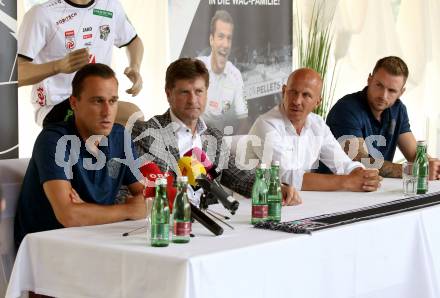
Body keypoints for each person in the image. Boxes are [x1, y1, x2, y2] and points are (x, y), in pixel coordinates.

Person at [131, 58, 301, 206]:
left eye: (199, 91)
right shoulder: (147, 133)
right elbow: (149, 190)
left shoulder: (212, 136)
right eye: (184, 92)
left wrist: (277, 188)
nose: (193, 100)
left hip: (209, 225)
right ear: (169, 94)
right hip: (167, 226)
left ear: (206, 94)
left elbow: (240, 178)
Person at [14, 63, 145, 249]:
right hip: (47, 249)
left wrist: (87, 212)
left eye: (113, 101)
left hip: (96, 241)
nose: (107, 112)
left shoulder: (120, 137)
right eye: (97, 101)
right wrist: (128, 209)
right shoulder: (54, 140)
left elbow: (150, 197)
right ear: (74, 103)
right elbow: (69, 216)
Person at [248, 68, 382, 192]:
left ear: (318, 102)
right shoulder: (266, 124)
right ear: (284, 92)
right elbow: (286, 176)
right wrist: (347, 181)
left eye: (306, 95)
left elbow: (342, 163)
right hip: (255, 205)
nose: (297, 101)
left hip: (295, 200)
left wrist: (363, 175)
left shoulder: (317, 124)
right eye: (293, 92)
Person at [17, 0, 144, 127]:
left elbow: (134, 41)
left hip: (97, 99)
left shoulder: (110, 5)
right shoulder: (41, 13)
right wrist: (58, 66)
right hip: (56, 106)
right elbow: (17, 74)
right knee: (131, 115)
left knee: (133, 119)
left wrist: (135, 67)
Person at [326, 56, 440, 179]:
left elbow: (413, 154)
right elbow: (360, 162)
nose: (383, 95)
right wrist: (414, 170)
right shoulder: (347, 109)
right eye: (379, 85)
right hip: (335, 190)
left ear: (401, 93)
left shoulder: (398, 109)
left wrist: (433, 166)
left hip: (373, 188)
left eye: (391, 91)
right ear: (369, 80)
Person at [197, 10, 249, 134]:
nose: (225, 44)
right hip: (194, 141)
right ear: (211, 40)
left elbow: (244, 121)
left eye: (229, 38)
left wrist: (228, 147)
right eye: (221, 37)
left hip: (221, 143)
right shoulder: (197, 67)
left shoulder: (235, 75)